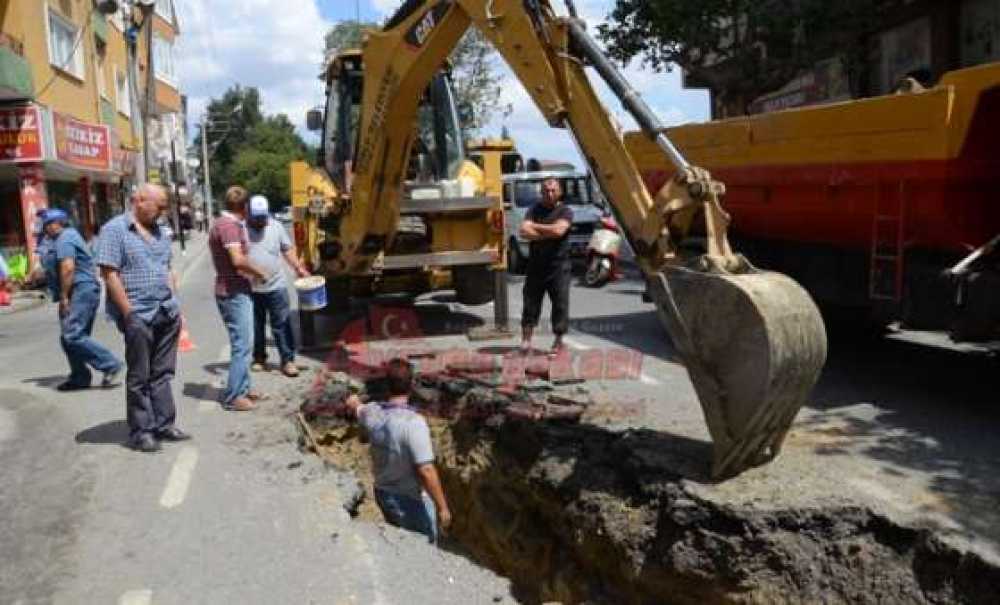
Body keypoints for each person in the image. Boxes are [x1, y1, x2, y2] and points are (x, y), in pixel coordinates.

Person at [95, 185, 190, 452]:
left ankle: (164, 424)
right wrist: (128, 313)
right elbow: (109, 274)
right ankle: (141, 431)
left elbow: (167, 268)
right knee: (140, 375)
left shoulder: (160, 231)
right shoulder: (115, 230)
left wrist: (175, 304)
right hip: (139, 313)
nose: (162, 212)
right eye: (158, 206)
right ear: (138, 200)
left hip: (165, 311)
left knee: (162, 373)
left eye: (164, 207)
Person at [343, 359, 452, 544]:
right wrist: (443, 508)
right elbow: (426, 470)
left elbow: (356, 406)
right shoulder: (414, 423)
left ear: (387, 385)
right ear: (412, 385)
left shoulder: (372, 412)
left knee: (402, 542)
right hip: (409, 500)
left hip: (383, 494)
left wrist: (352, 400)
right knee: (424, 546)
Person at [40, 209, 124, 392]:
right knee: (69, 337)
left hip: (81, 290)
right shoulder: (58, 240)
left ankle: (110, 364)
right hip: (77, 291)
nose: (45, 227)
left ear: (58, 223)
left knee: (72, 334)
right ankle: (79, 377)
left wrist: (63, 296)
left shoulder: (65, 237)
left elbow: (68, 268)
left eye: (47, 223)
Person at [209, 186, 270, 412]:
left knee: (245, 343)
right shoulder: (228, 226)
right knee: (242, 346)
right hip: (233, 292)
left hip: (235, 290)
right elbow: (238, 260)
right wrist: (260, 273)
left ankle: (243, 388)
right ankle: (234, 396)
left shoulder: (226, 224)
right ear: (244, 208)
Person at [246, 195, 310, 377]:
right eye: (257, 217)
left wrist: (298, 267)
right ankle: (259, 358)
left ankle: (287, 360)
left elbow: (287, 249)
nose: (261, 220)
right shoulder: (241, 230)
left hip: (276, 286)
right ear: (249, 213)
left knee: (281, 324)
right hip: (251, 288)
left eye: (263, 216)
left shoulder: (276, 226)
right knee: (256, 326)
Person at [519, 177, 573, 355]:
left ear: (560, 192)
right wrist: (549, 232)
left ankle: (558, 341)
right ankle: (526, 341)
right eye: (546, 191)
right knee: (530, 304)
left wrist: (535, 227)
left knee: (560, 304)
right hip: (536, 266)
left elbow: (560, 230)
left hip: (558, 267)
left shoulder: (565, 211)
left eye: (553, 190)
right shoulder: (533, 209)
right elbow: (524, 232)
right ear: (541, 192)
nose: (550, 194)